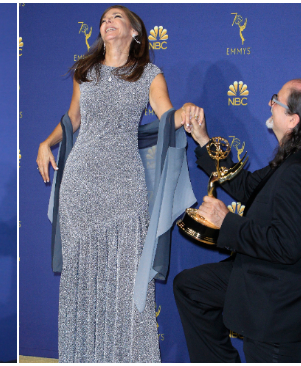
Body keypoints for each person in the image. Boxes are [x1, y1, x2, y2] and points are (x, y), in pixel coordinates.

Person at [35, 5, 203, 362]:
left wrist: (185, 110)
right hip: (80, 183)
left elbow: (166, 117)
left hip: (125, 184)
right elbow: (73, 118)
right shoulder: (86, 71)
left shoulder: (149, 74)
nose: (107, 23)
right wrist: (47, 142)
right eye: (104, 19)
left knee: (128, 281)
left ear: (135, 33)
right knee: (81, 281)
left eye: (117, 18)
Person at [174, 79, 301, 362]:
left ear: (293, 120)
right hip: (265, 277)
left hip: (278, 307)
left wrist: (225, 221)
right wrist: (204, 139)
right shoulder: (296, 162)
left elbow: (284, 245)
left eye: (276, 99)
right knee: (191, 288)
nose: (269, 103)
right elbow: (246, 186)